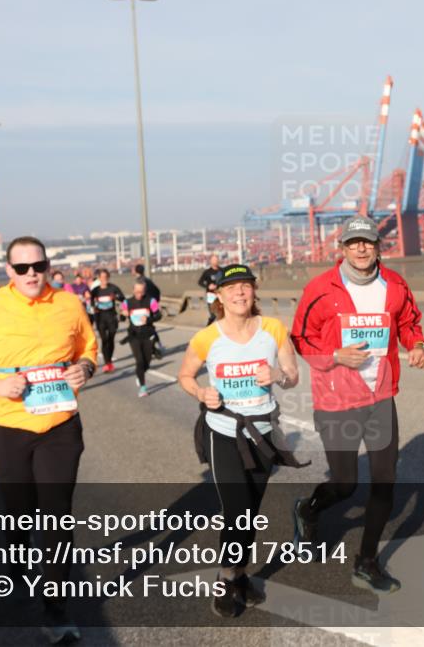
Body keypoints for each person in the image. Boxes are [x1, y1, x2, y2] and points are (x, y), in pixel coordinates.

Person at [0, 236, 97, 643]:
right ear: (8, 271)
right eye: (23, 267)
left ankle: (56, 608)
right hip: (7, 427)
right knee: (19, 512)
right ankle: (16, 561)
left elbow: (88, 347)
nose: (33, 274)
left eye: (39, 266)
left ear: (47, 266)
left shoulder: (68, 303)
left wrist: (84, 368)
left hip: (59, 426)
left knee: (56, 515)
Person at [290, 214, 424, 594]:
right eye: (354, 243)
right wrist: (335, 354)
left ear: (377, 245)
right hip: (337, 399)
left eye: (367, 241)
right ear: (344, 248)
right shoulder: (321, 288)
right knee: (346, 483)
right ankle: (310, 508)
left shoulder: (395, 285)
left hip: (380, 395)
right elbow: (301, 338)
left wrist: (417, 345)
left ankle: (366, 562)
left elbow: (409, 323)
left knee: (386, 481)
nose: (361, 248)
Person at [177, 264, 305, 618]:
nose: (239, 293)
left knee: (249, 514)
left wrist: (278, 374)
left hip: (264, 433)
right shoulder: (207, 337)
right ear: (219, 296)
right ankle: (227, 577)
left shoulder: (273, 329)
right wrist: (201, 393)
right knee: (236, 512)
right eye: (231, 288)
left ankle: (240, 573)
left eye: (245, 287)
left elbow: (293, 375)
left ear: (254, 291)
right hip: (223, 432)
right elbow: (185, 375)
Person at [124, 278, 161, 397]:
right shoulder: (127, 302)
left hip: (148, 334)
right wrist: (122, 315)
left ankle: (139, 374)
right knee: (139, 361)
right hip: (134, 335)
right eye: (137, 292)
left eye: (142, 292)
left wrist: (149, 319)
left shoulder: (151, 301)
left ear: (145, 291)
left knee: (147, 361)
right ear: (133, 290)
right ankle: (143, 388)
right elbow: (121, 316)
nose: (139, 294)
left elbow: (159, 315)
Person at [90, 269, 125, 373]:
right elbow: (91, 303)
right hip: (100, 317)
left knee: (111, 339)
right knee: (104, 339)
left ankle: (109, 361)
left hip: (111, 316)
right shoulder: (95, 290)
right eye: (102, 277)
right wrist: (94, 306)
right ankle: (107, 363)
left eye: (106, 277)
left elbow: (123, 299)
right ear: (99, 278)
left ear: (108, 277)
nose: (104, 279)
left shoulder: (113, 288)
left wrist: (116, 297)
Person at [133, 263, 165, 359]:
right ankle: (155, 346)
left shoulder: (139, 281)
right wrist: (155, 301)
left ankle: (151, 348)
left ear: (135, 271)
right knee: (149, 326)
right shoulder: (148, 280)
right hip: (149, 305)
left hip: (144, 307)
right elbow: (157, 291)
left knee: (144, 327)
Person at [198, 255, 222, 326]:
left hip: (220, 295)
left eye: (217, 259)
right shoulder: (207, 272)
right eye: (214, 260)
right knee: (213, 315)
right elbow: (200, 282)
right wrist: (208, 286)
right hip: (211, 295)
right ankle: (207, 328)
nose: (216, 261)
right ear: (211, 261)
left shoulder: (222, 271)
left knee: (222, 314)